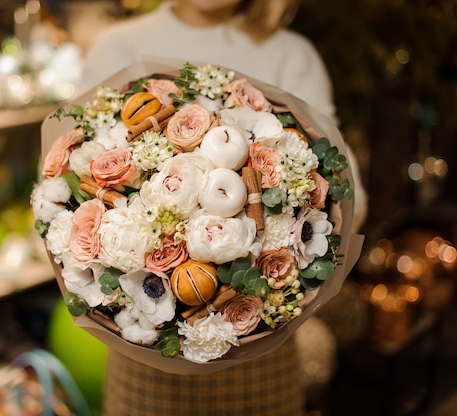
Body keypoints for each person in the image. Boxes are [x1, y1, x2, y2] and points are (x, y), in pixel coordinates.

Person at [76, 1, 369, 414]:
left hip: (261, 355)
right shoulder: (118, 47)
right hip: (145, 358)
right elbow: (66, 195)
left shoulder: (290, 53)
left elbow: (349, 194)